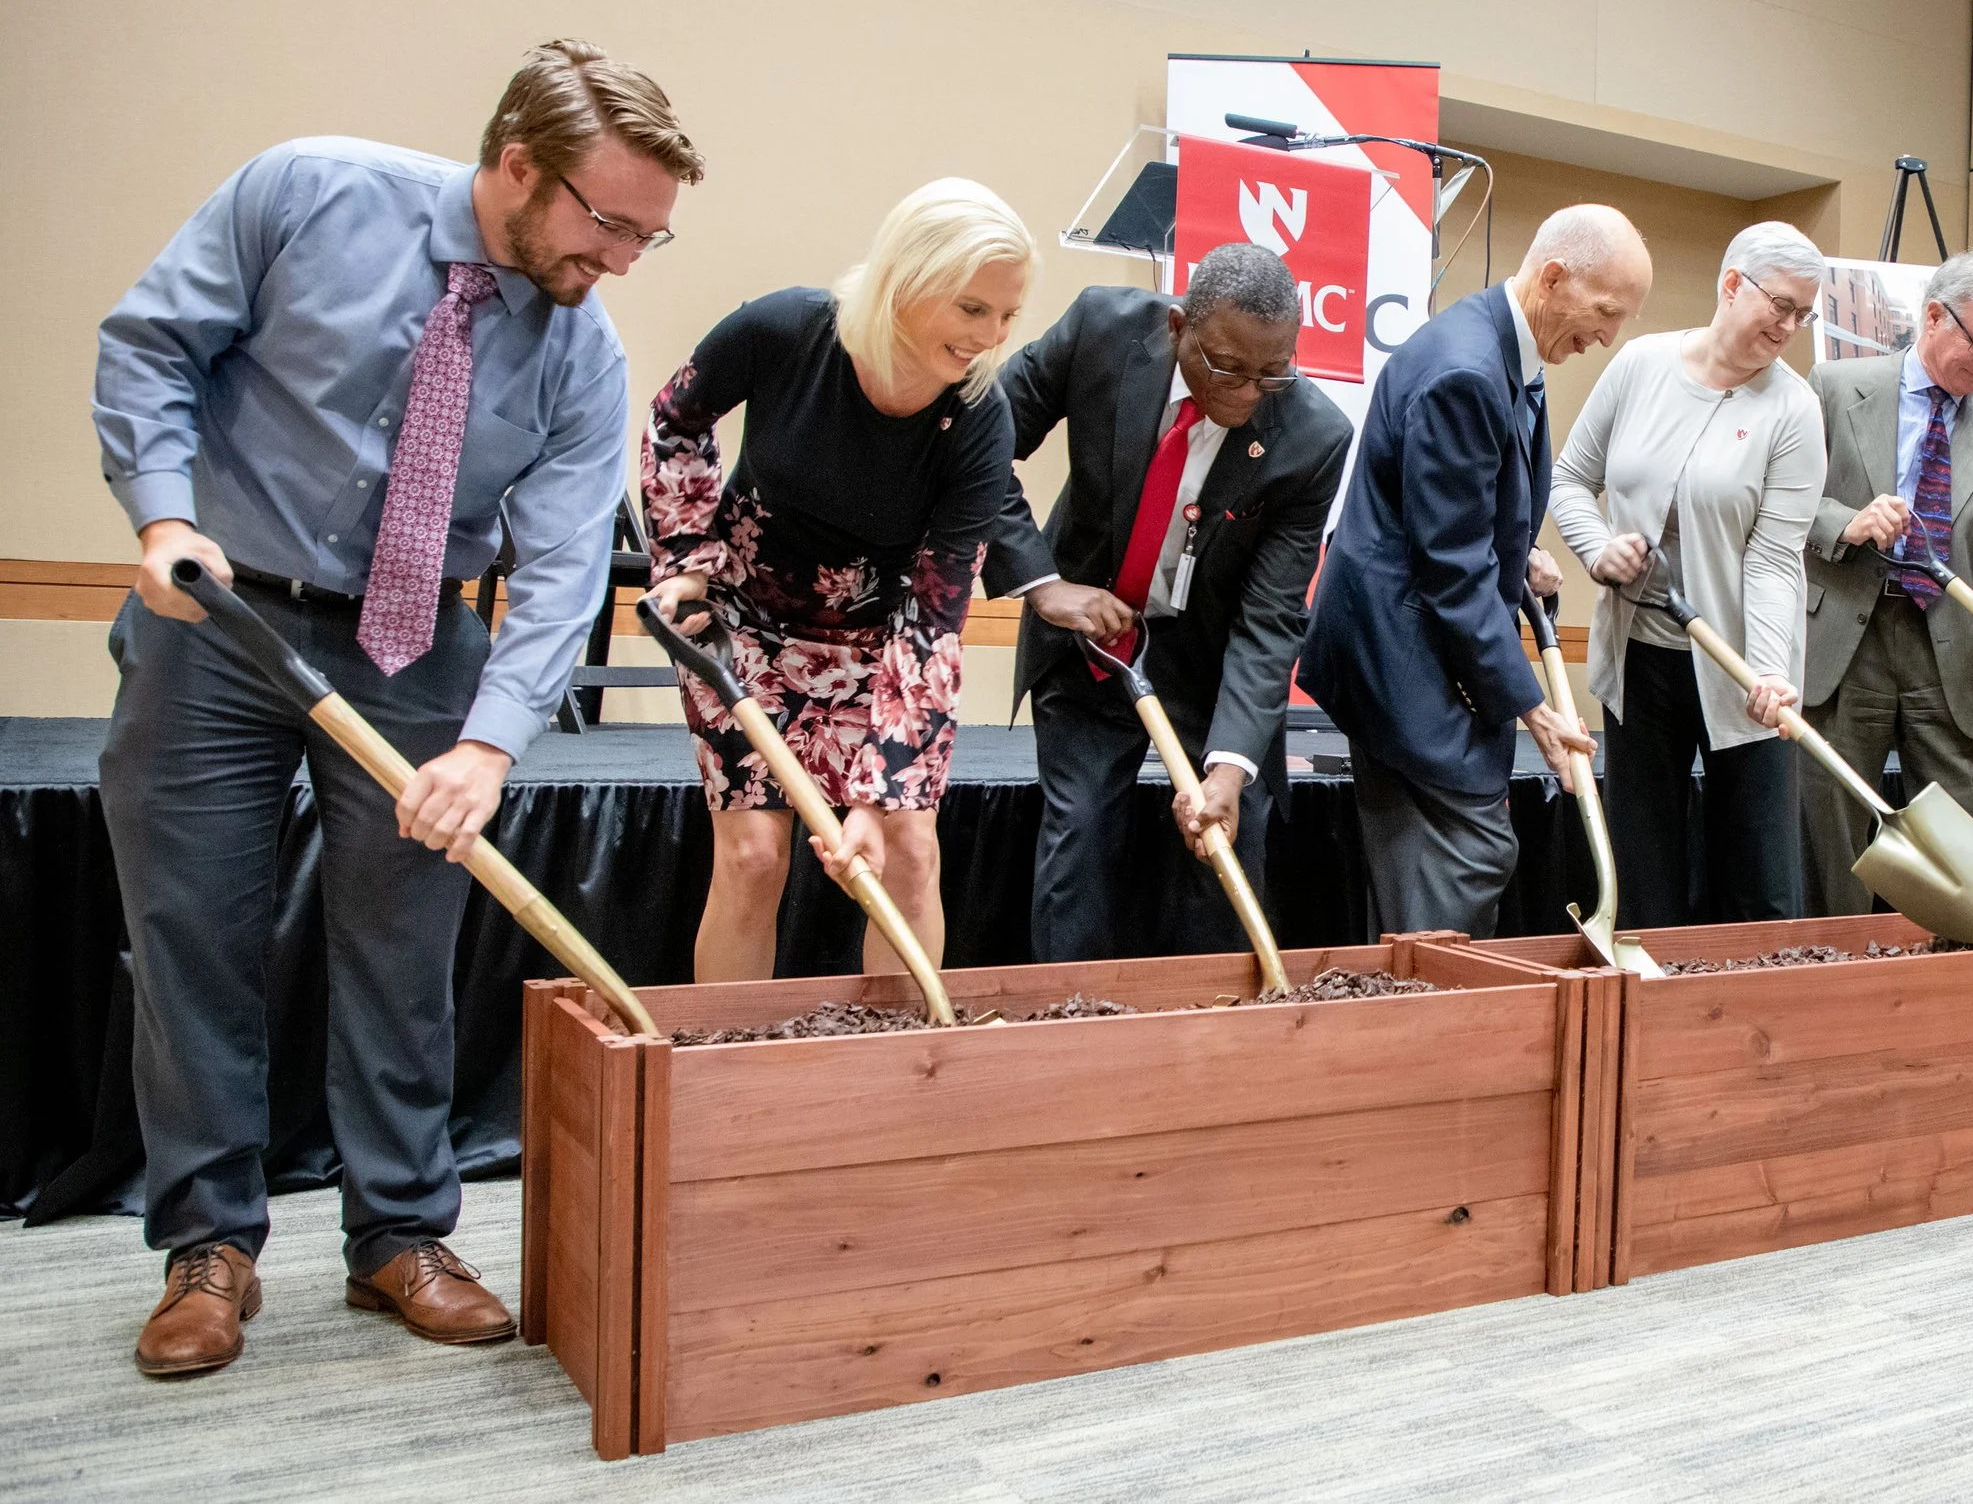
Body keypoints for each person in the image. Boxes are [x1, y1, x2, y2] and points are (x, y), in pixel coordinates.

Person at [92, 40, 702, 1376]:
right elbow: (150, 351)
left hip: (414, 634)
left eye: (650, 237)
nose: (624, 262)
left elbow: (560, 565)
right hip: (218, 610)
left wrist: (489, 741)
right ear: (518, 165)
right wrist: (164, 516)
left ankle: (401, 1235)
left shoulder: (580, 351)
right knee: (193, 927)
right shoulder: (305, 191)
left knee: (404, 944)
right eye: (610, 224)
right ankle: (209, 1245)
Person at [641, 180, 1033, 981]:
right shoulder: (783, 329)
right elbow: (676, 420)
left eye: (1006, 316)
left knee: (905, 851)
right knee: (753, 856)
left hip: (888, 648)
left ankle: (892, 1077)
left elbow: (934, 616)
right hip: (743, 633)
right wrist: (684, 557)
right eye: (971, 309)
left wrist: (875, 791)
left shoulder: (980, 418)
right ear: (908, 276)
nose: (989, 337)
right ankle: (733, 1073)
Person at [983, 243, 1352, 960]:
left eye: (1272, 372)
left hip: (1209, 658)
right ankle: (1073, 1026)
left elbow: (1271, 613)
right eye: (1228, 367)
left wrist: (1230, 765)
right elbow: (979, 442)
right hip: (1087, 633)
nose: (1248, 394)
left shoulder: (1312, 437)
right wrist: (1043, 583)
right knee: (1080, 836)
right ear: (1178, 326)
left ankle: (1212, 1040)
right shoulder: (1102, 328)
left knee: (1224, 844)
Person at [1301, 205, 1651, 937]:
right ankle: (1434, 1029)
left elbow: (1456, 512)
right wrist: (1535, 712)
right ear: (1554, 278)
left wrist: (1518, 551)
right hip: (1396, 652)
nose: (1608, 337)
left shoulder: (1509, 350)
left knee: (1420, 867)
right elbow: (1452, 568)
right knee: (1465, 853)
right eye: (1606, 311)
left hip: (1414, 638)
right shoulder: (1466, 369)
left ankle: (1407, 1012)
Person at [1551, 222, 1828, 925]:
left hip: (1742, 673)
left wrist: (1767, 670)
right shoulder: (1641, 364)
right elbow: (1569, 480)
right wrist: (1596, 548)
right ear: (1732, 284)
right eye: (1782, 305)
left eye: (1804, 313)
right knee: (1644, 872)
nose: (1790, 325)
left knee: (1760, 883)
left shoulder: (1794, 410)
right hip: (1640, 661)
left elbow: (1773, 558)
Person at [1797, 248, 1973, 915]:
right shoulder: (1834, 387)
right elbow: (1785, 499)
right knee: (1830, 848)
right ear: (1933, 317)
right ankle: (1831, 990)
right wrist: (1849, 521)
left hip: (1949, 650)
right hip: (1845, 644)